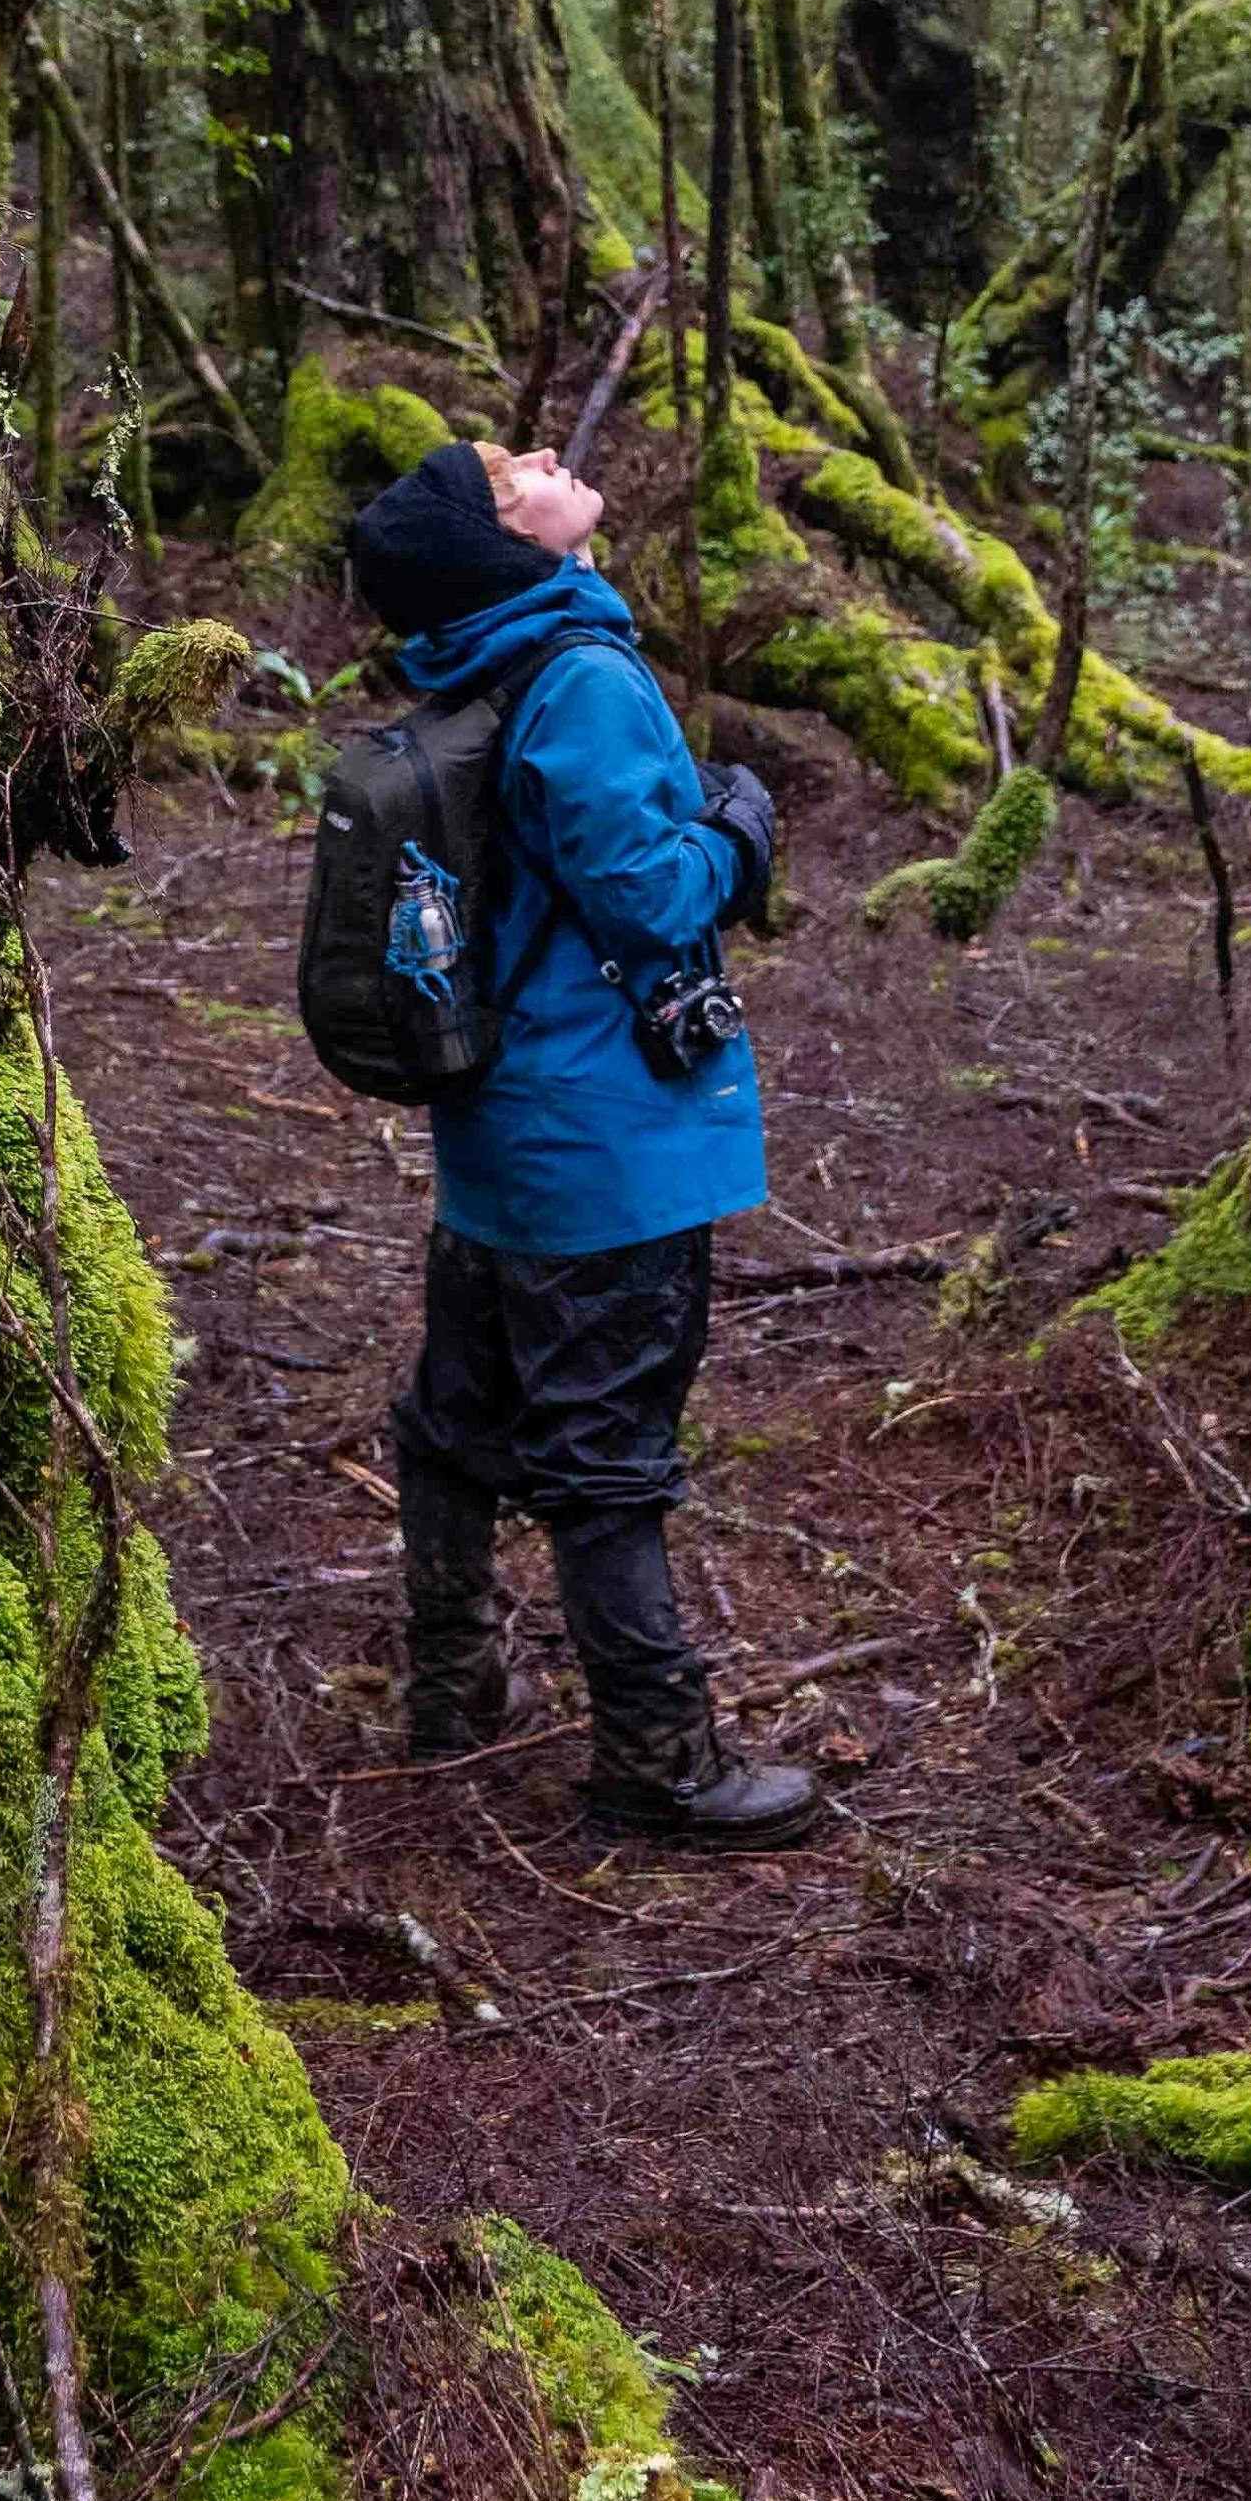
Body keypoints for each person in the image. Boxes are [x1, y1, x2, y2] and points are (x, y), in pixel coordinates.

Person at [337, 432, 826, 1852]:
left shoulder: (473, 670)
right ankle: (659, 1763)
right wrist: (740, 830)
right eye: (513, 472)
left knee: (456, 1417)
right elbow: (650, 897)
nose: (548, 455)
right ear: (510, 545)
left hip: (501, 1139)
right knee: (608, 1449)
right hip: (608, 1145)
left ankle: (452, 1685)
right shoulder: (583, 680)